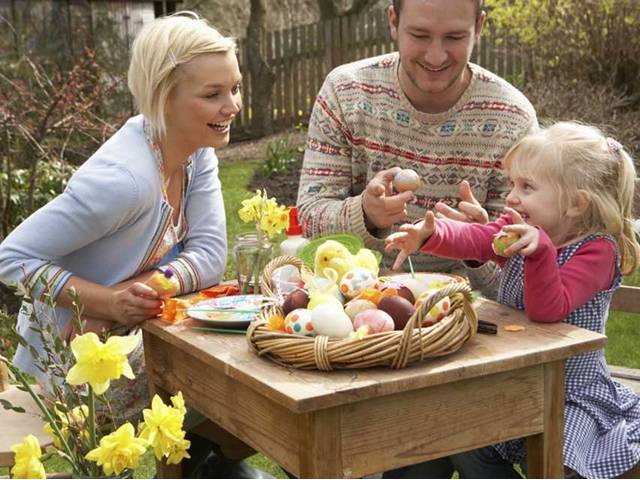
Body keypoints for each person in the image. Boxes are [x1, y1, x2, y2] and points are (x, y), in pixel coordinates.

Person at [0, 11, 270, 479]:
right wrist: (105, 302)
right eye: (213, 94)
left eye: (235, 88)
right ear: (164, 97)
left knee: (239, 401)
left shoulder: (194, 153)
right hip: (67, 375)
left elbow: (208, 258)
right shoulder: (122, 182)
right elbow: (10, 258)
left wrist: (137, 291)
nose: (233, 105)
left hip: (128, 352)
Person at [384, 121, 640, 478]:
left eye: (527, 186)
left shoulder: (597, 251)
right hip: (511, 379)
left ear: (576, 204)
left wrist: (540, 253)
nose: (512, 197)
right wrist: (431, 233)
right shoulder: (522, 229)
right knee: (462, 438)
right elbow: (476, 238)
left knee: (559, 460)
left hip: (567, 393)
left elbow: (549, 310)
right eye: (513, 184)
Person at [297, 0, 538, 295]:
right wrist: (365, 214)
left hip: (463, 314)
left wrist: (477, 246)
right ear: (393, 22)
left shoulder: (512, 119)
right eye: (420, 36)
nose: (435, 56)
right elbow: (309, 217)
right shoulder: (345, 93)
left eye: (454, 37)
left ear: (479, 28)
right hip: (354, 303)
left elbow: (523, 279)